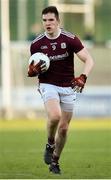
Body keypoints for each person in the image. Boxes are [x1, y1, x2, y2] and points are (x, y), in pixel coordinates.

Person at [28, 6, 94, 174]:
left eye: (51, 20)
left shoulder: (70, 39)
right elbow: (34, 67)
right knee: (55, 115)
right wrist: (31, 71)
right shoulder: (37, 44)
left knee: (64, 128)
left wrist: (83, 76)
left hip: (68, 86)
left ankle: (55, 162)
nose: (47, 24)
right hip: (48, 84)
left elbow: (89, 60)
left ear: (58, 21)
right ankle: (50, 143)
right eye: (44, 20)